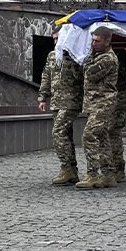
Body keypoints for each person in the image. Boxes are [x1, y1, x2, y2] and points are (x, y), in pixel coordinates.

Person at [37, 30, 84, 186]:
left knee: (58, 133)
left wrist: (69, 59)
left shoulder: (75, 55)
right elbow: (46, 76)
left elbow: (81, 78)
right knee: (66, 135)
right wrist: (43, 97)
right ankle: (71, 170)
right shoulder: (52, 55)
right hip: (57, 101)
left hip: (71, 101)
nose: (56, 42)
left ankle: (67, 168)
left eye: (58, 38)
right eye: (54, 39)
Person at [76, 27, 119, 189]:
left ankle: (93, 174)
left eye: (97, 41)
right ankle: (108, 175)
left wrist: (86, 58)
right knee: (101, 137)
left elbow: (90, 73)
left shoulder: (108, 58)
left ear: (107, 41)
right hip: (94, 102)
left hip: (103, 102)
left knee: (89, 135)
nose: (93, 44)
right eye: (92, 40)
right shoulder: (98, 55)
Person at [109, 46, 126, 182]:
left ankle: (118, 168)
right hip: (107, 100)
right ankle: (109, 167)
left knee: (113, 132)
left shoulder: (122, 54)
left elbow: (122, 76)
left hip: (120, 99)